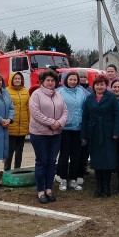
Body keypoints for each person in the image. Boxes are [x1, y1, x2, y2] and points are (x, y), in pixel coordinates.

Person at [29, 69, 69, 204]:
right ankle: (40, 190)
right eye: (48, 80)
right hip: (39, 134)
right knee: (42, 162)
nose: (50, 83)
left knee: (52, 162)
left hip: (55, 134)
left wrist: (59, 123)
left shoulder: (58, 95)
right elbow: (35, 113)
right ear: (42, 81)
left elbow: (65, 111)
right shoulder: (36, 95)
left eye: (52, 80)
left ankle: (49, 189)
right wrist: (52, 123)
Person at [82, 74, 119, 198]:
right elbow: (85, 117)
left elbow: (117, 115)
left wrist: (116, 132)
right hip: (94, 133)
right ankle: (98, 187)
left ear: (106, 85)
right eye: (97, 84)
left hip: (108, 133)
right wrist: (84, 134)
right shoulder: (89, 98)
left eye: (102, 84)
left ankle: (107, 187)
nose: (99, 87)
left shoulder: (111, 98)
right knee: (97, 161)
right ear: (94, 86)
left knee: (108, 160)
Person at [57, 70, 88, 192]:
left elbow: (85, 109)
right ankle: (63, 179)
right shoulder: (59, 92)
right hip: (64, 129)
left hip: (78, 129)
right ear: (66, 80)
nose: (73, 81)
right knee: (64, 155)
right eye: (70, 79)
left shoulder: (81, 92)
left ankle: (73, 180)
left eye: (75, 80)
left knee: (76, 155)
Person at [4, 72, 29, 171]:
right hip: (11, 127)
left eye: (19, 79)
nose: (17, 80)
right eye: (15, 79)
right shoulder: (6, 91)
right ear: (11, 80)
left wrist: (29, 124)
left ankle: (17, 171)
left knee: (19, 152)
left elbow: (28, 109)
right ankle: (6, 172)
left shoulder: (26, 92)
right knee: (9, 152)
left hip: (22, 127)